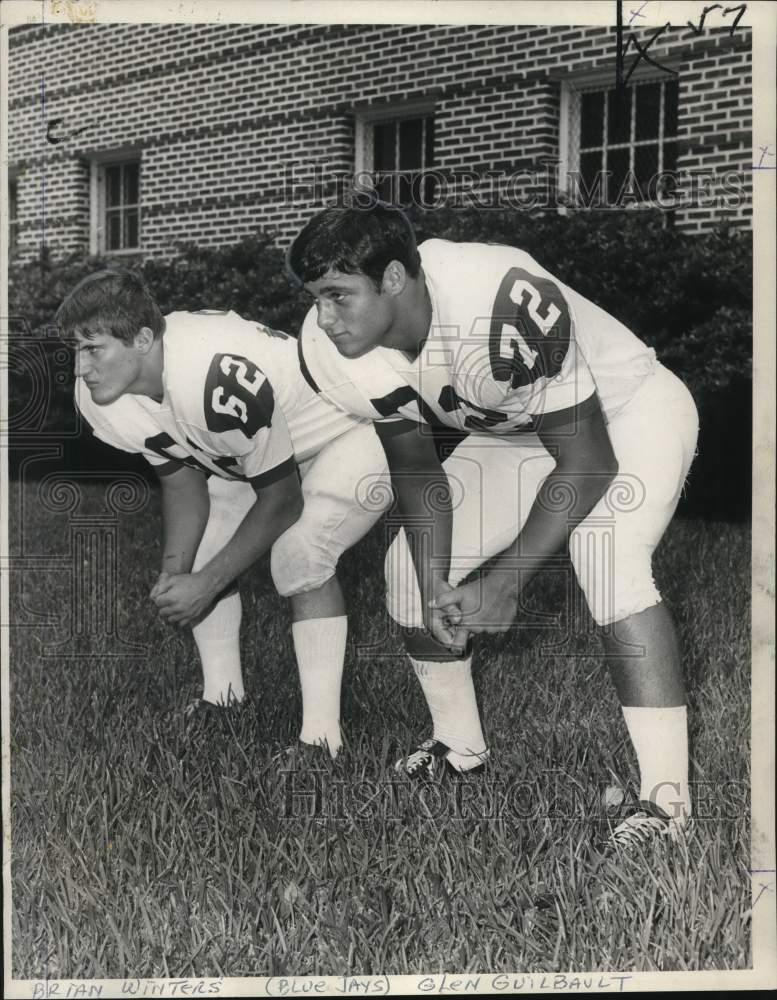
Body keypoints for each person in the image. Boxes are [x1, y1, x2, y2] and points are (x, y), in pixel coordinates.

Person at [287, 201, 699, 848]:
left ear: (395, 277)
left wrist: (505, 582)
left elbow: (586, 461)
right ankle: (459, 746)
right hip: (515, 431)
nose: (323, 318)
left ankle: (667, 804)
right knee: (407, 570)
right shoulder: (337, 346)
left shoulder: (494, 294)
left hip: (626, 409)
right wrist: (433, 586)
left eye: (338, 296)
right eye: (316, 299)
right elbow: (418, 472)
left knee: (605, 553)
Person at [56, 270, 392, 757]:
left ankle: (322, 741)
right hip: (259, 451)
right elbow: (182, 480)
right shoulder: (108, 395)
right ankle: (224, 699)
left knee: (300, 554)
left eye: (93, 350)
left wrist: (207, 586)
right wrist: (177, 575)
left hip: (349, 428)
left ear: (144, 339)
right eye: (75, 351)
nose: (81, 369)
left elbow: (281, 501)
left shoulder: (212, 376)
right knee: (199, 559)